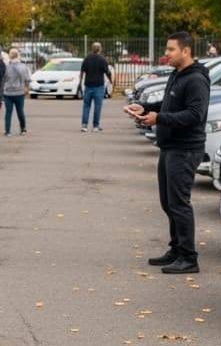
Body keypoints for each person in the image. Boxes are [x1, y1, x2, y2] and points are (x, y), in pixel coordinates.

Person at [124, 31, 210, 274]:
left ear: (186, 51)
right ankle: (176, 249)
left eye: (171, 49)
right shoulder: (177, 74)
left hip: (185, 149)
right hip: (170, 147)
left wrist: (159, 118)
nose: (166, 53)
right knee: (168, 203)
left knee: (179, 204)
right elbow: (170, 105)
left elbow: (195, 115)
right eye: (167, 49)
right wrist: (146, 108)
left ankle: (189, 257)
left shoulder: (196, 80)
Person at [79, 42, 114, 132]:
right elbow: (107, 72)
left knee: (86, 106)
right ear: (100, 49)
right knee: (97, 106)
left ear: (92, 48)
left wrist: (80, 81)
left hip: (88, 85)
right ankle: (95, 126)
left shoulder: (87, 58)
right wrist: (111, 81)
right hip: (99, 86)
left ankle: (84, 125)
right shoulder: (102, 59)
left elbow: (82, 71)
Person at [1, 48, 31, 135]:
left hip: (8, 92)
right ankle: (23, 129)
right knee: (20, 111)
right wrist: (27, 88)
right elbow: (28, 79)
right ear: (18, 55)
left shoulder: (6, 67)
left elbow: (4, 79)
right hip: (19, 92)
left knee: (8, 112)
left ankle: (7, 131)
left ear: (10, 56)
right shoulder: (23, 66)